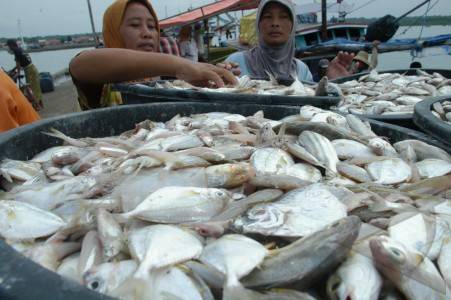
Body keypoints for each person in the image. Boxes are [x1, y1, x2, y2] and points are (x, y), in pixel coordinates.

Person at [69, 0, 236, 110]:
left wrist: (211, 77)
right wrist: (179, 65)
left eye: (152, 26)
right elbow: (78, 66)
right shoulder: (102, 82)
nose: (147, 33)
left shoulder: (163, 79)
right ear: (113, 32)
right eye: (135, 25)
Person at [222, 0, 354, 82]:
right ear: (258, 24)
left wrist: (331, 83)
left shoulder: (301, 70)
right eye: (268, 17)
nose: (275, 23)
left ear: (293, 25)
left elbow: (308, 110)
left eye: (284, 17)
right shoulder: (236, 62)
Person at [6, 39, 43, 109]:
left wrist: (17, 74)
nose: (8, 47)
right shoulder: (20, 49)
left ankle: (37, 106)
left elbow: (18, 64)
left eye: (8, 46)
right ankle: (40, 104)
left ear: (11, 45)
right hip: (32, 68)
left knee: (29, 88)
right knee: (36, 87)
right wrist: (13, 69)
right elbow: (23, 61)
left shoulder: (15, 51)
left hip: (29, 70)